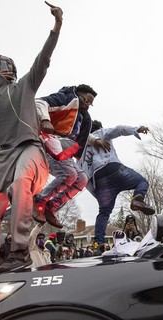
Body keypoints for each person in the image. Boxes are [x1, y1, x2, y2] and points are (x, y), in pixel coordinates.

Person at [0, 2, 64, 273]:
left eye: (7, 65)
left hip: (30, 149)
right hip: (3, 153)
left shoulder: (25, 86)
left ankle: (20, 252)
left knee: (21, 182)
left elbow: (43, 60)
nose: (4, 67)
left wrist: (56, 26)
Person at [34, 84, 108, 228]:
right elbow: (39, 102)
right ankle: (39, 200)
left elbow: (82, 135)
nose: (88, 105)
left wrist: (95, 140)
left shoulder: (84, 117)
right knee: (70, 175)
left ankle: (52, 205)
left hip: (63, 147)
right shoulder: (66, 98)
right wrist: (45, 120)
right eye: (87, 100)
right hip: (46, 141)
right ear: (79, 94)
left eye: (91, 103)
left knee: (82, 179)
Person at [82, 120, 155, 251]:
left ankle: (98, 243)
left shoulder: (83, 147)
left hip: (99, 180)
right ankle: (137, 199)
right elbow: (120, 129)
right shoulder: (103, 133)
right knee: (142, 182)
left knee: (103, 213)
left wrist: (97, 193)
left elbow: (84, 174)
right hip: (113, 169)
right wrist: (137, 128)